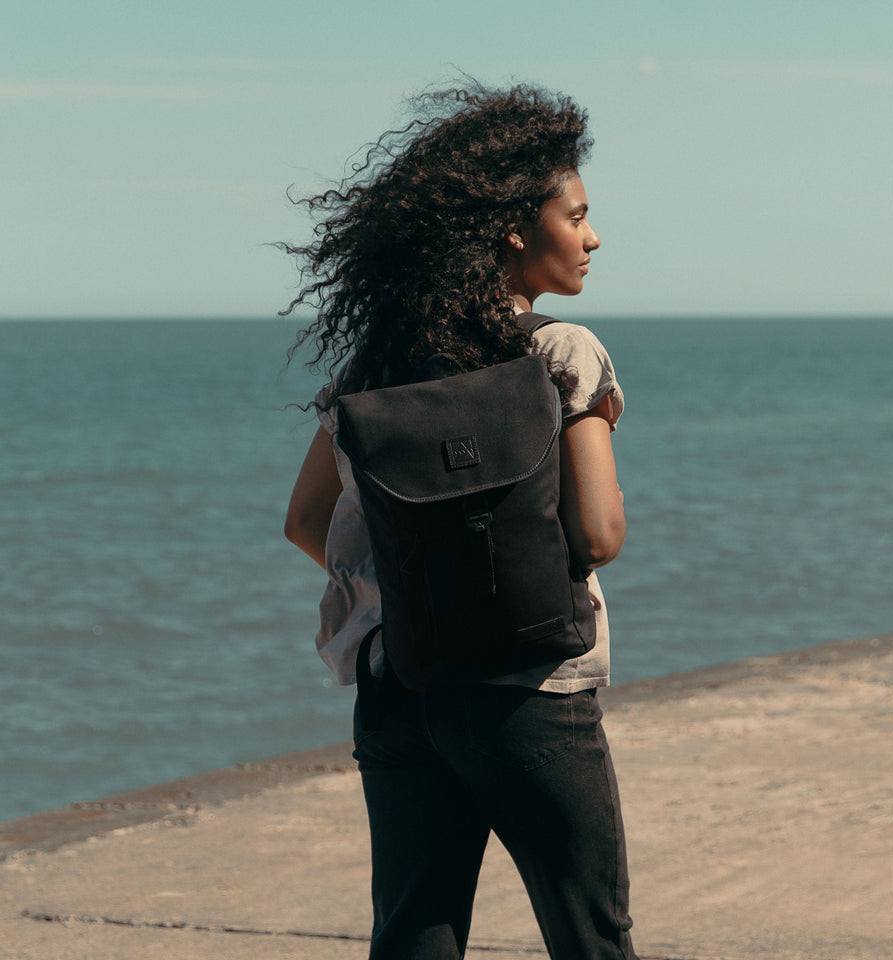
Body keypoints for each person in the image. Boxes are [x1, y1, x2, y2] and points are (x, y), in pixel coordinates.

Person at [283, 82, 636, 960]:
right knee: (592, 940)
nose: (593, 237)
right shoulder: (561, 350)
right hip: (530, 697)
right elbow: (596, 536)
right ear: (515, 229)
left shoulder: (376, 366)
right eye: (577, 216)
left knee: (414, 938)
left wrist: (411, 578)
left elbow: (306, 522)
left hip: (400, 686)